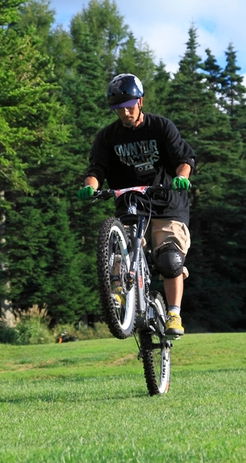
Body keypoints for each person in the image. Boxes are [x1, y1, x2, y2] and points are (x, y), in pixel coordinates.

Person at [78, 73, 196, 336]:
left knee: (169, 259)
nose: (125, 112)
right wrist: (90, 186)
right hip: (131, 204)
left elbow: (184, 158)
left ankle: (174, 315)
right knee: (120, 253)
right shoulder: (107, 137)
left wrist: (181, 177)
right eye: (119, 109)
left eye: (129, 105)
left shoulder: (161, 127)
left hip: (167, 202)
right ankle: (121, 299)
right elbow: (96, 168)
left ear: (140, 101)